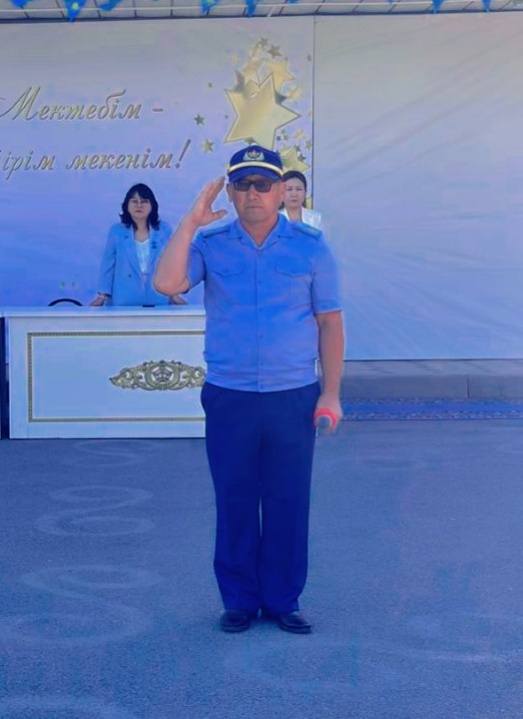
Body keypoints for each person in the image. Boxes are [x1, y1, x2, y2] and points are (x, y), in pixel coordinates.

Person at [154, 145, 344, 634]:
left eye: (263, 184)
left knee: (288, 499)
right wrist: (190, 222)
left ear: (281, 191)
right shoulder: (210, 243)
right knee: (235, 498)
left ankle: (283, 599)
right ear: (231, 193)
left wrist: (331, 393)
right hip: (230, 395)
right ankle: (238, 598)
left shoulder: (311, 247)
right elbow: (167, 282)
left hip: (292, 394)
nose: (253, 193)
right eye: (243, 184)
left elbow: (330, 322)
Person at [90, 183, 185, 306]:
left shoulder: (164, 230)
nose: (139, 205)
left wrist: (174, 294)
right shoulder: (117, 231)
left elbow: (172, 264)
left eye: (144, 201)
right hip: (124, 299)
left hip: (158, 297)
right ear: (127, 205)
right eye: (134, 201)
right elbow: (108, 265)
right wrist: (102, 295)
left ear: (152, 205)